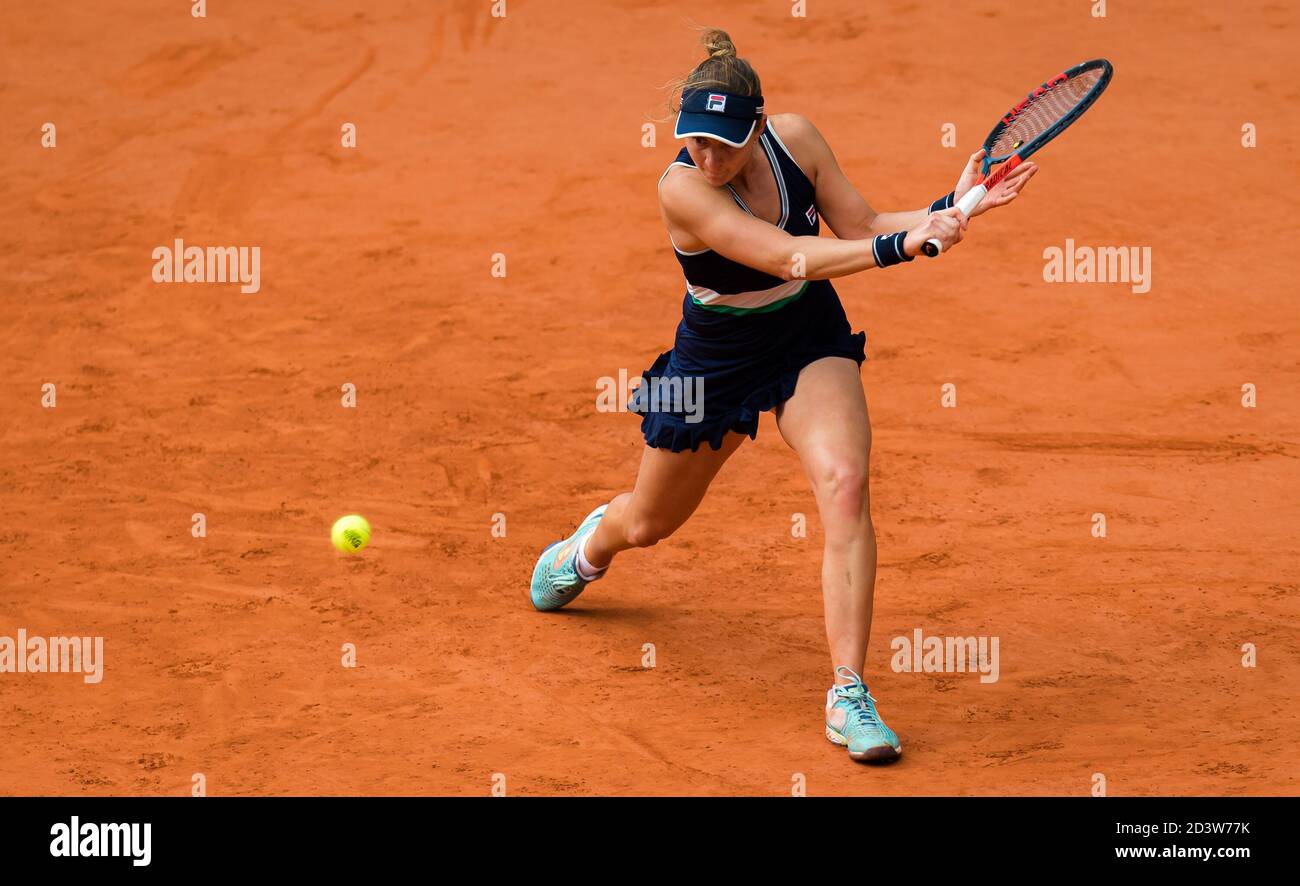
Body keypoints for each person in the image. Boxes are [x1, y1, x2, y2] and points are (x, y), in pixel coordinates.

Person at [530, 28, 1036, 763]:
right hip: (713, 360)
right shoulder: (682, 190)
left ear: (760, 127)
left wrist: (949, 207)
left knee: (846, 482)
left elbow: (859, 226)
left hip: (804, 333)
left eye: (723, 144)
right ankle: (589, 548)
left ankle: (848, 692)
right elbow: (789, 255)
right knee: (648, 523)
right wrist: (905, 247)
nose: (708, 158)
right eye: (694, 141)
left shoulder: (796, 140)